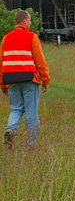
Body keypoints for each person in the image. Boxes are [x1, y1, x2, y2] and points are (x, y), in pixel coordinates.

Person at [1, 10, 50, 149]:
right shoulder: (31, 37)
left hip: (11, 80)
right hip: (29, 79)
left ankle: (10, 130)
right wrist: (45, 80)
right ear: (24, 21)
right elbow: (40, 61)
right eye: (29, 20)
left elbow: (1, 62)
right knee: (31, 112)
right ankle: (31, 144)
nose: (30, 22)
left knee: (16, 109)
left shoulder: (6, 38)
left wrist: (2, 84)